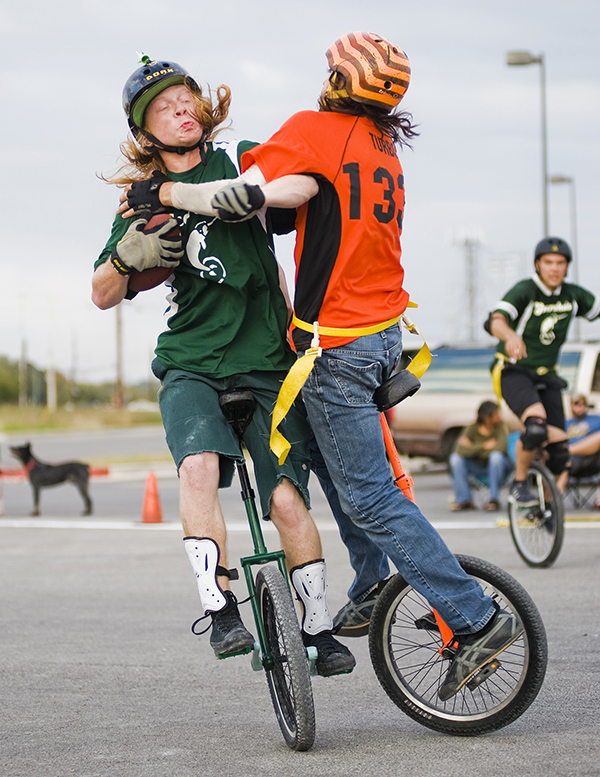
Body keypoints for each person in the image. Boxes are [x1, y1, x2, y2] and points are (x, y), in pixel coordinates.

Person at [137, 32, 524, 701]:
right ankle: (372, 581)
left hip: (335, 346)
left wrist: (169, 194)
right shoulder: (382, 144)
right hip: (384, 337)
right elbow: (312, 204)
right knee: (328, 459)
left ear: (339, 81)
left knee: (372, 496)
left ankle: (474, 618)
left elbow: (245, 199)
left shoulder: (319, 129)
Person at [91, 56, 355, 677]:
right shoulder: (140, 204)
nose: (180, 108)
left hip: (268, 361)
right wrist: (129, 257)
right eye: (162, 107)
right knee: (199, 469)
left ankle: (316, 629)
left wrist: (235, 197)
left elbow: (306, 186)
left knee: (287, 502)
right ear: (145, 133)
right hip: (191, 363)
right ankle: (222, 608)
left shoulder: (238, 154)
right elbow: (101, 291)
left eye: (185, 97)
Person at [485, 237, 600, 506]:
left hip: (548, 375)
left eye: (560, 263)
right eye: (548, 262)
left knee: (560, 453)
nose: (554, 268)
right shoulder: (526, 290)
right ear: (538, 264)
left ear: (567, 267)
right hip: (514, 370)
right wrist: (511, 335)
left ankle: (549, 509)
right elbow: (497, 320)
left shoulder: (573, 295)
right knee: (535, 428)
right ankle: (519, 481)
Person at [449, 401, 512, 512]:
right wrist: (484, 446)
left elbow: (499, 448)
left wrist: (472, 447)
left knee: (495, 457)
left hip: (498, 467)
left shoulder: (501, 426)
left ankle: (493, 499)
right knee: (455, 459)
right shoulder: (472, 428)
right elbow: (459, 450)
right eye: (496, 415)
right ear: (487, 417)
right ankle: (464, 499)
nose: (499, 417)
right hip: (477, 466)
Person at [565, 394, 600, 477]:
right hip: (569, 460)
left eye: (584, 404)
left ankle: (568, 450)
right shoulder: (565, 423)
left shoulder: (596, 419)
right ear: (571, 405)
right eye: (577, 404)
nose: (581, 407)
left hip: (590, 459)